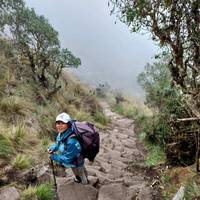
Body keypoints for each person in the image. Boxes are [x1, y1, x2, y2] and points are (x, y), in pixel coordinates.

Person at [48, 112, 89, 184]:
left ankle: (85, 184)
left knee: (80, 171)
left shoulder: (71, 141)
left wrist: (54, 157)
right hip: (71, 156)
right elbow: (58, 144)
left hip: (77, 159)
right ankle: (79, 179)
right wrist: (52, 148)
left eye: (62, 123)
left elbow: (67, 159)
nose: (59, 126)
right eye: (58, 123)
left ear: (68, 124)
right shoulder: (61, 134)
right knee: (76, 169)